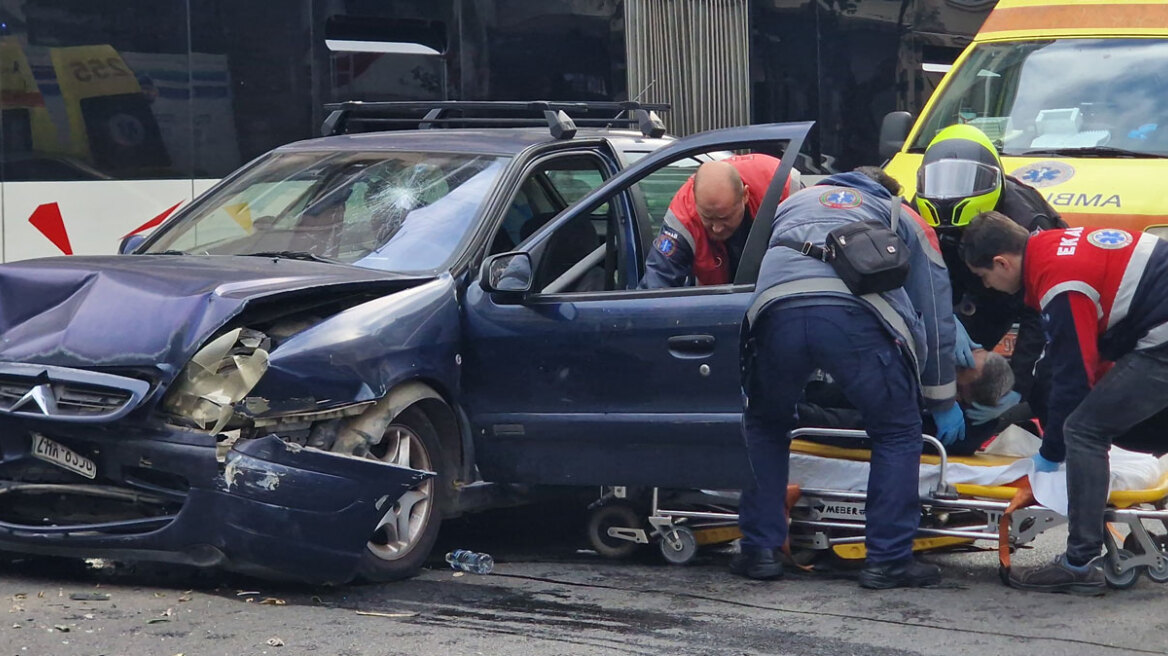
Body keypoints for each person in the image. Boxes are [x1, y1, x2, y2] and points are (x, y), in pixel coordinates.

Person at [733, 166, 959, 588]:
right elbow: (934, 304)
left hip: (775, 311)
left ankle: (760, 551)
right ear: (888, 189)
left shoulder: (790, 205)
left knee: (765, 424)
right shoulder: (898, 211)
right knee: (895, 430)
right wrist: (940, 396)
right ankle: (888, 560)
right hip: (853, 317)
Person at [960, 211, 1168, 595]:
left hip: (1161, 336)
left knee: (1084, 429)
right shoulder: (1055, 246)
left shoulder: (1059, 283)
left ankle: (1079, 563)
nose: (987, 285)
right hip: (1155, 323)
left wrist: (1051, 450)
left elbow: (1075, 380)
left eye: (984, 275)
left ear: (1002, 263)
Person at [913, 124, 1065, 420]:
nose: (946, 189)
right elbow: (911, 268)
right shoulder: (920, 205)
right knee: (944, 359)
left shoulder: (1029, 225)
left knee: (1044, 377)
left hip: (1010, 295)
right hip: (952, 283)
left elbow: (1040, 314)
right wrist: (943, 319)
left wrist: (1021, 384)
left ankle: (1038, 428)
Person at [797, 345, 1015, 456]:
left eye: (956, 369)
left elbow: (854, 424)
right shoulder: (941, 391)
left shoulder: (937, 425)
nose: (946, 365)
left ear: (960, 396)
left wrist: (795, 413)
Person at [639, 154, 799, 288]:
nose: (716, 228)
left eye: (724, 218)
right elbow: (658, 281)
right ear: (695, 200)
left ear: (745, 196)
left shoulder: (782, 189)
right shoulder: (683, 217)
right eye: (708, 218)